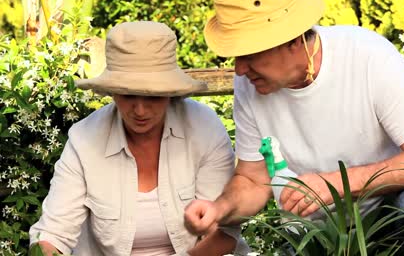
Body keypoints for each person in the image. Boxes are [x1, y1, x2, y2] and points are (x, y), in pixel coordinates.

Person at [184, 0, 404, 255]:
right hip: (312, 236)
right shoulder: (248, 85)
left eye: (249, 55)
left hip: (389, 221)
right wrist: (219, 209)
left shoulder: (367, 55)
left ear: (293, 39)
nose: (240, 69)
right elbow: (253, 180)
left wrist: (336, 185)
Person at [29, 21, 248, 256]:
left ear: (170, 92)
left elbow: (223, 233)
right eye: (128, 94)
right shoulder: (84, 139)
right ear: (112, 90)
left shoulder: (203, 127)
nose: (140, 110)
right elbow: (52, 234)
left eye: (153, 96)